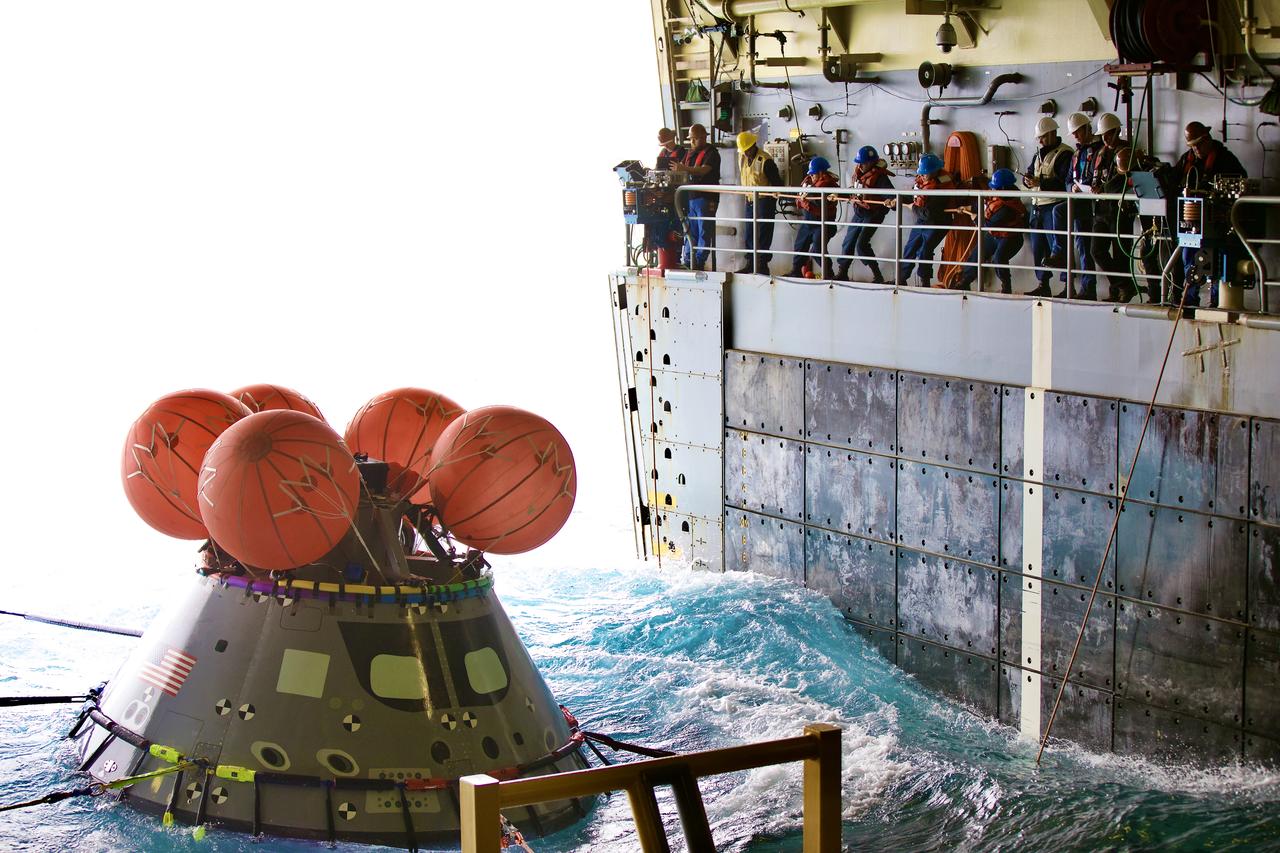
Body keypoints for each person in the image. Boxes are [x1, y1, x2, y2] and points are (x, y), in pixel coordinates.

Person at [1171, 121, 1247, 305]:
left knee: (1218, 260)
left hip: (1218, 222)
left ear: (1207, 139)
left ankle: (1216, 300)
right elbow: (1174, 179)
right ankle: (1189, 299)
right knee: (1188, 256)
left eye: (1198, 144)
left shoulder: (1225, 159)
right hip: (1193, 223)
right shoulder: (1187, 160)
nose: (1195, 149)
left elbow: (1241, 181)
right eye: (1192, 146)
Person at [1052, 112, 1103, 299]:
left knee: (1086, 247)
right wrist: (1071, 186)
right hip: (1078, 201)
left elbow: (1097, 176)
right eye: (1073, 133)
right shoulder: (1077, 154)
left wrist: (1085, 187)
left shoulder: (1098, 151)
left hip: (1090, 205)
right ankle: (1086, 288)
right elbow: (1067, 178)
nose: (1075, 136)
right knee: (1082, 246)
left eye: (1077, 132)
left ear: (1087, 129)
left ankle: (1059, 253)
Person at [1087, 114, 1137, 302]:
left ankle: (1118, 292)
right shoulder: (1100, 154)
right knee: (1096, 250)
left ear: (1117, 131)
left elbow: (1126, 177)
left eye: (1108, 134)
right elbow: (1095, 176)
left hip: (1120, 210)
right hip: (1101, 210)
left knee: (1121, 253)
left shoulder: (1127, 153)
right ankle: (1122, 286)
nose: (1105, 139)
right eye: (1103, 135)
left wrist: (1104, 188)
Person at [1022, 116, 1073, 297]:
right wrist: (1027, 180)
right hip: (1037, 208)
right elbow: (1030, 172)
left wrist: (1040, 182)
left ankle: (1069, 286)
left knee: (1058, 248)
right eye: (1039, 137)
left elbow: (1063, 183)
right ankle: (1043, 283)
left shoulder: (1065, 154)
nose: (1040, 140)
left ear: (1052, 133)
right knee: (1039, 247)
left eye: (1043, 136)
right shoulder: (1038, 154)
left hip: (1054, 207)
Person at [954, 168, 1026, 293]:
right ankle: (965, 281)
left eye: (994, 188)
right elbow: (986, 204)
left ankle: (1006, 287)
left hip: (1010, 238)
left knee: (999, 258)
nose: (992, 190)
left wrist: (976, 218)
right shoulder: (999, 197)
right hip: (995, 236)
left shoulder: (1009, 207)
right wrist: (968, 207)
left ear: (1003, 188)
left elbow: (989, 224)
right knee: (977, 254)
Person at [835, 145, 894, 283]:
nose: (861, 165)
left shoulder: (880, 178)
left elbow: (891, 193)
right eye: (860, 162)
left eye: (864, 163)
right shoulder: (860, 173)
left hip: (873, 214)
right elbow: (854, 189)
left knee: (861, 245)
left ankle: (877, 275)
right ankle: (842, 272)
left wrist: (891, 201)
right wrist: (837, 194)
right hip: (859, 212)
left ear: (872, 163)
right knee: (848, 242)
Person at [897, 153, 955, 288]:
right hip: (923, 221)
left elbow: (929, 213)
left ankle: (925, 283)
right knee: (909, 248)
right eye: (921, 174)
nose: (922, 176)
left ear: (935, 172)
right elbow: (914, 197)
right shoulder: (923, 182)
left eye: (925, 174)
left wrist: (913, 208)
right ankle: (901, 279)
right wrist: (897, 200)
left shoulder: (941, 189)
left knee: (925, 250)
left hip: (938, 222)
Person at [670, 123, 721, 270]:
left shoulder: (712, 154)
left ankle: (699, 261)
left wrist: (683, 169)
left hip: (706, 198)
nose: (692, 142)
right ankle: (688, 259)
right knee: (690, 229)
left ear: (703, 138)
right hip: (691, 198)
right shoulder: (689, 153)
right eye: (691, 139)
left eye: (695, 139)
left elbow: (703, 170)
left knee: (704, 230)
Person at [736, 131, 783, 274]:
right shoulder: (743, 158)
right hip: (749, 201)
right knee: (749, 233)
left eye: (746, 150)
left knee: (763, 234)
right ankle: (751, 263)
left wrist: (775, 195)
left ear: (752, 146)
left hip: (764, 202)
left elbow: (777, 183)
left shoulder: (765, 161)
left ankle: (762, 265)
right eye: (743, 151)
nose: (745, 153)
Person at [789, 157, 840, 279]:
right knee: (799, 245)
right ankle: (796, 272)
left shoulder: (830, 186)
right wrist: (803, 199)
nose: (811, 177)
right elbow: (799, 198)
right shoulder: (809, 184)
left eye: (813, 174)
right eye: (811, 175)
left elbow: (820, 203)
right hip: (808, 222)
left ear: (821, 173)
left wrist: (806, 199)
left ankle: (829, 274)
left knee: (818, 250)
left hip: (823, 224)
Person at [649, 127, 688, 272]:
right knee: (664, 226)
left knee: (677, 226)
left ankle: (677, 257)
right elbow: (657, 170)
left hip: (677, 196)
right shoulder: (663, 153)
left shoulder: (682, 152)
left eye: (666, 143)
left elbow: (685, 171)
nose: (665, 146)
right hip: (665, 197)